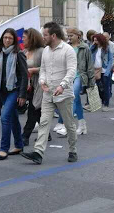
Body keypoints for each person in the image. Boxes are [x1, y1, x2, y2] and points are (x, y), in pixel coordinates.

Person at [21, 22, 78, 165]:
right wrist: (41, 81)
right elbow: (44, 69)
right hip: (48, 93)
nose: (43, 37)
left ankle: (73, 150)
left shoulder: (68, 50)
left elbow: (72, 71)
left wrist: (62, 86)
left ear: (53, 35)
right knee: (44, 122)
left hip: (64, 94)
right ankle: (38, 152)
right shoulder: (46, 50)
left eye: (45, 35)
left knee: (69, 124)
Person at [0, 28, 28, 160]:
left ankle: (3, 148)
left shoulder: (18, 53)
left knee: (5, 117)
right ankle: (19, 145)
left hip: (14, 89)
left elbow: (25, 75)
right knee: (12, 118)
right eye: (5, 37)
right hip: (2, 89)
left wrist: (22, 94)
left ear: (14, 40)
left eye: (10, 38)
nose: (7, 40)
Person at [56, 27, 94, 136]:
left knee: (72, 97)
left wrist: (91, 82)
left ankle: (68, 126)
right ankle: (82, 125)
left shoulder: (85, 47)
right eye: (68, 36)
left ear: (78, 36)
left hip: (79, 75)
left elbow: (89, 65)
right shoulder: (66, 47)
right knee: (76, 100)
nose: (69, 38)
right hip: (68, 76)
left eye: (71, 35)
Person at [21, 28, 46, 146]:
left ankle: (25, 136)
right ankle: (46, 134)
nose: (22, 40)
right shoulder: (24, 51)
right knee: (37, 110)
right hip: (28, 85)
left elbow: (47, 68)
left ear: (31, 39)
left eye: (24, 38)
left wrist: (33, 70)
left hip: (39, 85)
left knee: (33, 109)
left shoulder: (41, 51)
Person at [90, 33, 114, 111]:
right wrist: (93, 45)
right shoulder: (94, 48)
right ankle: (102, 100)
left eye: (96, 40)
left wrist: (108, 71)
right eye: (94, 40)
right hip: (96, 70)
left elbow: (110, 59)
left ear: (100, 40)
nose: (95, 42)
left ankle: (106, 104)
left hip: (104, 70)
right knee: (99, 88)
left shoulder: (107, 48)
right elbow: (88, 52)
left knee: (106, 87)